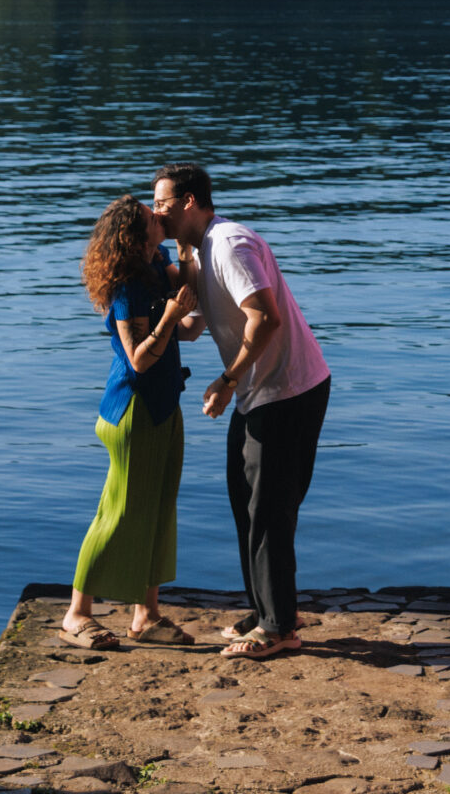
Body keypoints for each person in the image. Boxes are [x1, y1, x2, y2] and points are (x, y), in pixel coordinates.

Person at [151, 164, 330, 662]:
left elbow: (266, 318)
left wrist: (227, 380)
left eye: (162, 203)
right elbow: (190, 328)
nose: (156, 212)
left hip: (289, 388)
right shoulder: (200, 252)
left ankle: (279, 630)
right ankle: (267, 610)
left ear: (189, 202)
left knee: (269, 509)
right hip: (259, 389)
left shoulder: (229, 244)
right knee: (244, 499)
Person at [64, 194, 201, 647]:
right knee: (119, 513)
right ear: (135, 235)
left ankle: (147, 617)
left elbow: (188, 321)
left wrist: (187, 264)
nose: (159, 215)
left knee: (160, 509)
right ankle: (76, 614)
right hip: (133, 411)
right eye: (150, 216)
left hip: (165, 405)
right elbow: (140, 360)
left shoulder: (159, 259)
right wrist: (170, 319)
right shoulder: (127, 286)